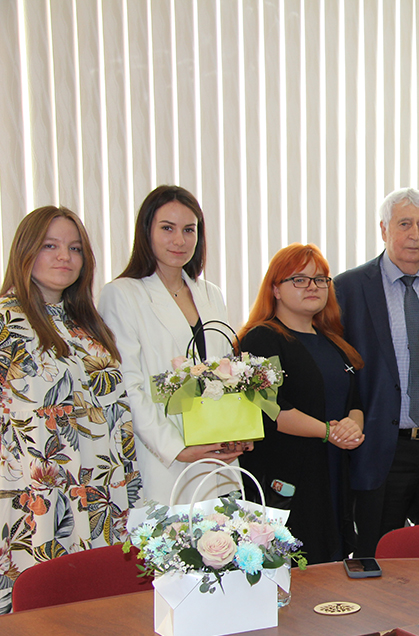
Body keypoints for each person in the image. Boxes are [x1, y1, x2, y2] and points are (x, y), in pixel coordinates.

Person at [0, 206, 141, 614]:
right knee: (41, 619)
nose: (65, 256)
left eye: (75, 248)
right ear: (25, 250)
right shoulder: (6, 321)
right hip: (37, 498)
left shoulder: (87, 324)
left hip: (102, 492)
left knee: (100, 618)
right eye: (50, 246)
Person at [334, 188, 419, 557]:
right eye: (404, 224)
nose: (415, 234)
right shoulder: (349, 287)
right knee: (378, 554)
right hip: (382, 446)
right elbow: (340, 369)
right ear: (383, 229)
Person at [99, 186, 247, 506]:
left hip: (217, 456)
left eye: (189, 230)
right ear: (146, 231)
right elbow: (129, 386)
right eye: (167, 228)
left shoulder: (210, 294)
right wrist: (176, 448)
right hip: (163, 460)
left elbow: (226, 375)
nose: (179, 240)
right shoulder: (122, 294)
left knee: (225, 535)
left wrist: (236, 434)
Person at [236, 244, 364, 564]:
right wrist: (328, 432)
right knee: (297, 565)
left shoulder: (332, 340)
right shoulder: (262, 338)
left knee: (333, 561)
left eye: (320, 280)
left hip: (334, 470)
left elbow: (355, 400)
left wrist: (352, 426)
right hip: (288, 475)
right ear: (276, 289)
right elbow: (273, 409)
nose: (312, 287)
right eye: (299, 279)